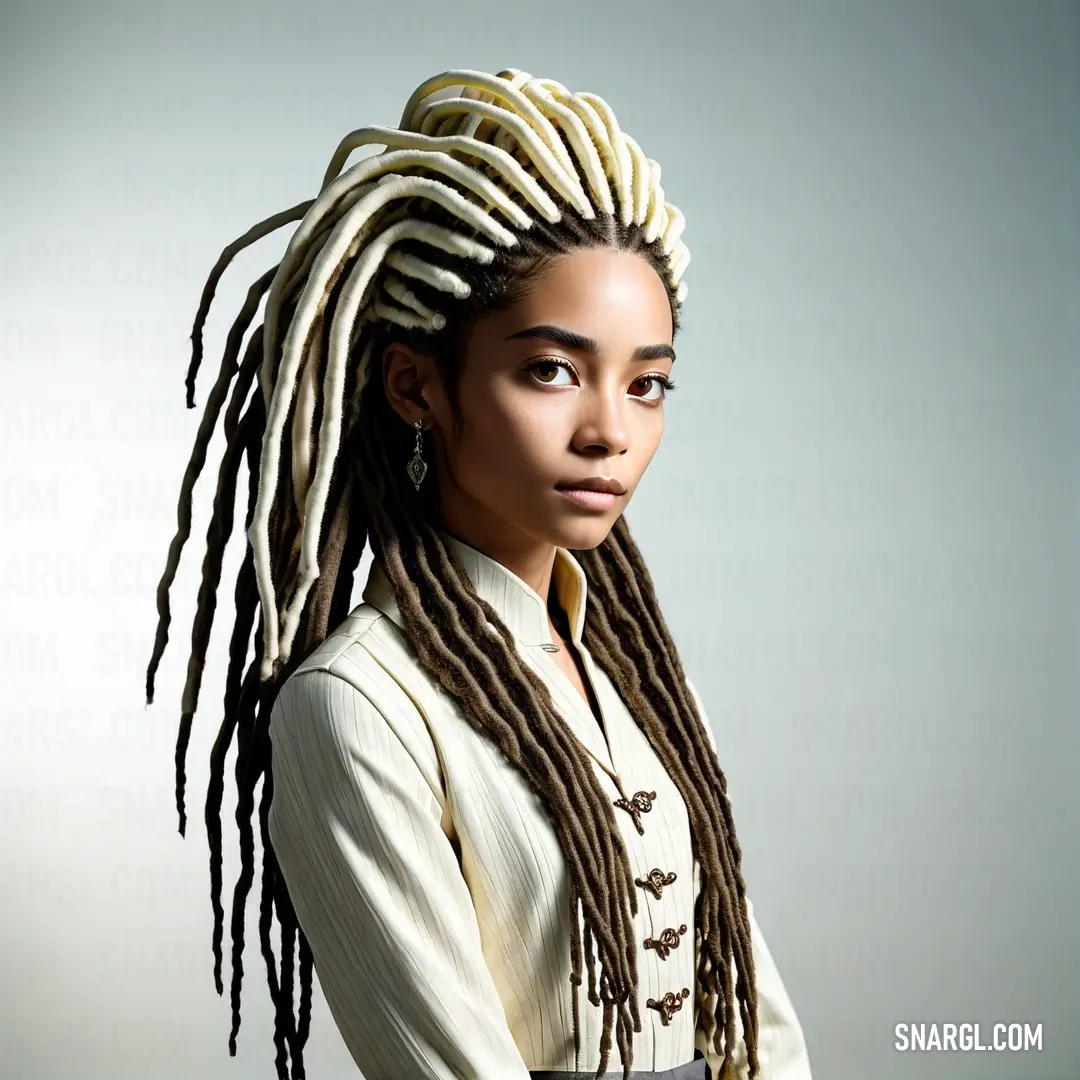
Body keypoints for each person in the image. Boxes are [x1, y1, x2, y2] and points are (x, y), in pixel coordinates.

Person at [145, 67, 812, 1080]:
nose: (611, 433)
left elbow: (752, 1011)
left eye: (648, 384)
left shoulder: (644, 680)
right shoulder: (355, 707)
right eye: (552, 369)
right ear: (416, 384)